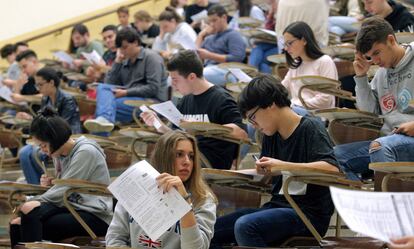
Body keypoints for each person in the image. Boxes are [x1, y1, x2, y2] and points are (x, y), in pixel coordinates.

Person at [210, 74, 339, 248]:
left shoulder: (310, 127)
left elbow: (332, 169)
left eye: (253, 117)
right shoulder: (271, 134)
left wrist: (283, 167)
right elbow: (265, 174)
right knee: (211, 229)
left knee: (246, 226)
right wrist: (224, 176)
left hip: (307, 214)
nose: (253, 125)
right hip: (277, 207)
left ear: (270, 105)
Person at [9, 107, 112, 248]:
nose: (43, 150)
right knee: (17, 223)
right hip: (72, 206)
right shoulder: (60, 154)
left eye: (44, 145)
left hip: (95, 214)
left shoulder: (86, 152)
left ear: (55, 139)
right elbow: (67, 187)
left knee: (28, 212)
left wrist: (34, 199)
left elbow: (66, 188)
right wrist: (52, 185)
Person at [334, 16, 414, 180]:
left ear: (391, 40)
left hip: (400, 141)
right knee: (333, 157)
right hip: (388, 140)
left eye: (377, 53)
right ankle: (364, 204)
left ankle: (388, 204)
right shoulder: (380, 74)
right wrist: (361, 77)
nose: (375, 61)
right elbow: (369, 113)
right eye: (370, 56)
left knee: (380, 147)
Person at [106, 130, 216, 248]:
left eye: (191, 156)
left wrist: (185, 201)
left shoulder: (203, 199)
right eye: (179, 154)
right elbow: (114, 240)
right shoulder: (136, 186)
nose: (187, 162)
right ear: (163, 157)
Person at [141, 50, 247, 169]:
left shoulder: (221, 99)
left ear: (192, 77)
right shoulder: (186, 100)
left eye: (175, 79)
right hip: (188, 155)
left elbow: (242, 133)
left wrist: (201, 127)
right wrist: (158, 124)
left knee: (165, 161)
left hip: (209, 160)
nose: (173, 85)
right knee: (155, 157)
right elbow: (176, 135)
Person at [83, 28, 168, 133]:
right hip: (131, 99)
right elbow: (109, 84)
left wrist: (126, 92)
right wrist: (117, 62)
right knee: (103, 90)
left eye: (125, 47)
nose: (122, 51)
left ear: (136, 42)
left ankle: (99, 139)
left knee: (105, 107)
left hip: (152, 102)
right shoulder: (124, 60)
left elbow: (153, 88)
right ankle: (103, 123)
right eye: (120, 48)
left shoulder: (151, 58)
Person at [18, 67, 81, 185]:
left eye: (40, 85)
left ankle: (41, 186)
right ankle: (35, 186)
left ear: (51, 82)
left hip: (66, 135)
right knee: (24, 152)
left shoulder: (67, 99)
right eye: (37, 85)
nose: (38, 88)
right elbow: (43, 121)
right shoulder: (46, 98)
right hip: (49, 134)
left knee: (34, 152)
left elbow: (61, 126)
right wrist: (30, 119)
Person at [281, 21, 338, 110]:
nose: (286, 48)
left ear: (304, 40)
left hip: (317, 116)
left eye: (290, 43)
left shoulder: (325, 61)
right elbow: (281, 89)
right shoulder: (296, 65)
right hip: (296, 112)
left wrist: (296, 105)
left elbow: (326, 99)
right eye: (285, 44)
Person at [196, 4, 246, 86]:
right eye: (210, 22)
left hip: (227, 71)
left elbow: (237, 58)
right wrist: (201, 35)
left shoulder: (233, 35)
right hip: (209, 68)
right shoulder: (210, 37)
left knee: (199, 76)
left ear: (224, 17)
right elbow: (197, 54)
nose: (211, 24)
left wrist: (209, 56)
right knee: (180, 77)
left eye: (214, 20)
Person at [248, 0, 278, 73]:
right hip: (269, 44)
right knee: (262, 59)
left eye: (272, 3)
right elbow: (266, 29)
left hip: (280, 46)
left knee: (258, 50)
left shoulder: (283, 16)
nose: (271, 6)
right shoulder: (271, 16)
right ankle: (254, 77)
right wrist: (270, 15)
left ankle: (249, 73)